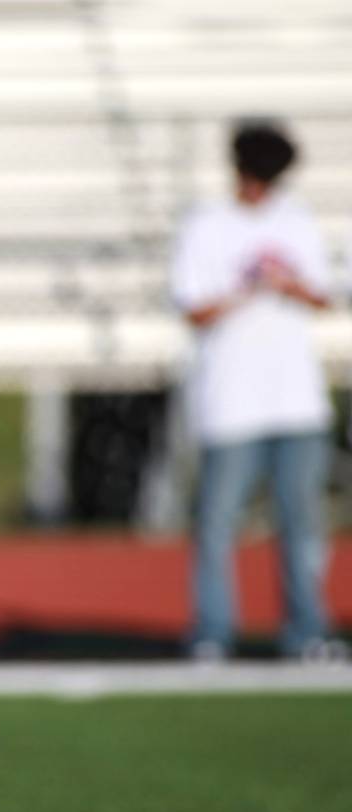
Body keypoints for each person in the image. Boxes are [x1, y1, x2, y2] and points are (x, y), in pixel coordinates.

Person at [169, 120, 342, 661]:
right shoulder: (206, 225)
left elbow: (323, 296)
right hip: (231, 403)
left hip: (296, 401)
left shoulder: (296, 221)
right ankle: (213, 632)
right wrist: (249, 290)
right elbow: (194, 308)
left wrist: (288, 286)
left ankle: (307, 630)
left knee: (301, 524)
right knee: (218, 527)